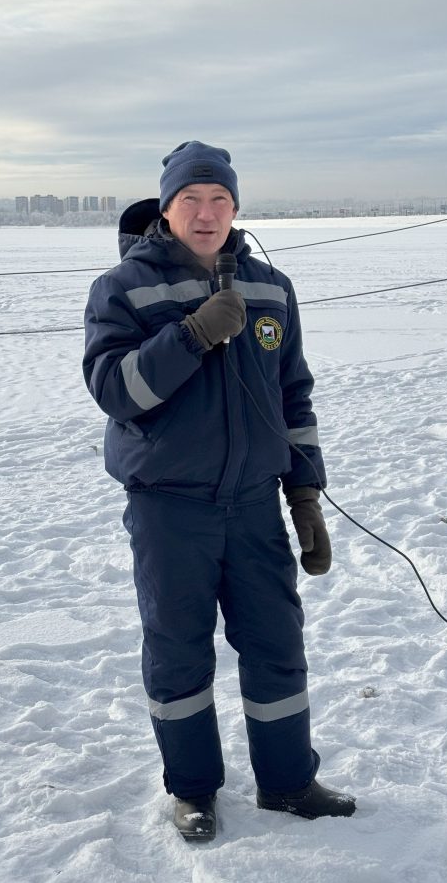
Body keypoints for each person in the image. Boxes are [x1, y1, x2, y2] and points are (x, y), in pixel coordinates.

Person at [83, 141, 355, 842]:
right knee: (178, 650)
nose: (206, 215)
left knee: (276, 641)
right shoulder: (124, 288)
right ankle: (194, 790)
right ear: (167, 208)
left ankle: (289, 780)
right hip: (169, 507)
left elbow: (293, 396)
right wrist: (192, 334)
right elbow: (116, 391)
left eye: (220, 201)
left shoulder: (271, 288)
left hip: (253, 505)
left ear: (236, 208)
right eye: (191, 201)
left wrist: (305, 495)